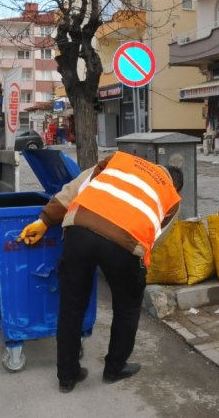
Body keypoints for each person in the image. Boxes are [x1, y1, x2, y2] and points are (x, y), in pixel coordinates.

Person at [18, 151, 183, 393]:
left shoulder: (120, 160)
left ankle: (67, 376)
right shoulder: (172, 198)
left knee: (71, 305)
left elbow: (76, 186)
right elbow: (154, 239)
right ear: (177, 186)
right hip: (124, 244)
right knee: (127, 307)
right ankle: (114, 368)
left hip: (79, 229)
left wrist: (45, 219)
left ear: (158, 166)